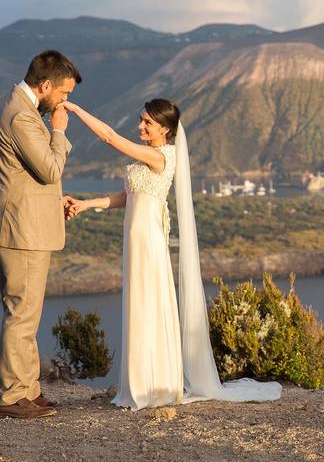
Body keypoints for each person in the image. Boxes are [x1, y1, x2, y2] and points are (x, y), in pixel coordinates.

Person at [62, 98, 282, 409]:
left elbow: (110, 137)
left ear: (164, 129)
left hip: (148, 241)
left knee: (148, 303)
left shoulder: (160, 156)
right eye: (141, 119)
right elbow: (128, 197)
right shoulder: (148, 159)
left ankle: (155, 387)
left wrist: (75, 109)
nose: (140, 126)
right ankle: (146, 384)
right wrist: (85, 205)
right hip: (136, 239)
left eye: (147, 123)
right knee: (140, 304)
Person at [0, 50, 81, 419]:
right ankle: (13, 397)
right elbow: (50, 170)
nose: (65, 101)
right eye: (63, 93)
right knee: (22, 312)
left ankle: (28, 389)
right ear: (45, 85)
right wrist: (60, 130)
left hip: (10, 221)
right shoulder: (22, 116)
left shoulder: (10, 101)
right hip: (23, 230)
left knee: (23, 310)